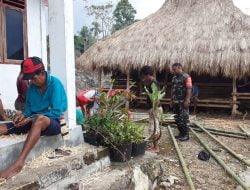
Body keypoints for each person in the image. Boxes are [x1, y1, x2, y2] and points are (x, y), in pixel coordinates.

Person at [0, 57, 67, 179]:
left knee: (39, 119)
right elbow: (29, 109)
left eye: (34, 78)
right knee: (4, 126)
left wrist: (31, 118)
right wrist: (23, 115)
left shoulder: (55, 84)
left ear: (42, 73)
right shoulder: (32, 87)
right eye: (30, 78)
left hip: (53, 122)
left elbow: (57, 112)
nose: (32, 81)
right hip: (34, 121)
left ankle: (19, 163)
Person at [140, 66, 163, 153]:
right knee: (154, 128)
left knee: (154, 128)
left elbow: (157, 98)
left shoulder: (154, 83)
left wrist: (154, 109)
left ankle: (156, 148)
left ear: (147, 75)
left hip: (155, 108)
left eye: (143, 76)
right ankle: (155, 146)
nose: (143, 78)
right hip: (154, 108)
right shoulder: (151, 83)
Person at [171, 63, 192, 141]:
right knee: (177, 118)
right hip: (175, 101)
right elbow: (172, 89)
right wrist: (171, 100)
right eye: (172, 69)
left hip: (183, 102)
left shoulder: (186, 77)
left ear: (179, 68)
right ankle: (181, 133)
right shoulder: (174, 78)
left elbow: (189, 89)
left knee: (184, 118)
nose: (173, 71)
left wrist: (187, 100)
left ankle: (186, 135)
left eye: (174, 69)